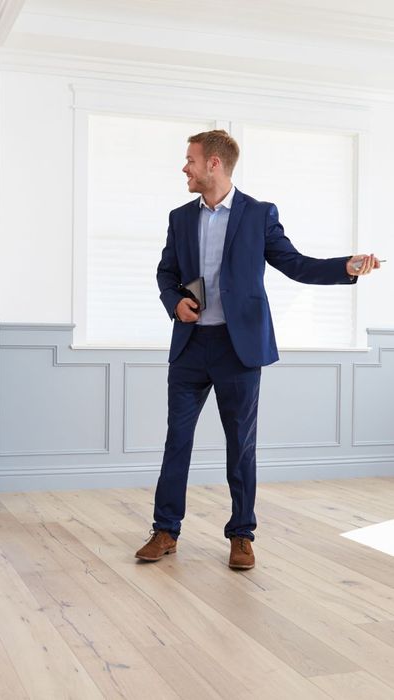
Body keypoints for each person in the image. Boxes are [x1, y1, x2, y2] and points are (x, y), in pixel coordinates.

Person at [135, 129, 380, 570]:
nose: (184, 168)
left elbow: (296, 264)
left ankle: (241, 535)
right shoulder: (180, 218)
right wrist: (175, 302)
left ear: (214, 164)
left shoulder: (258, 214)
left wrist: (346, 267)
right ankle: (166, 530)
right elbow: (165, 273)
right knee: (177, 441)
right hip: (191, 348)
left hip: (238, 349)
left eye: (190, 160)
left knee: (241, 446)